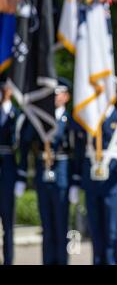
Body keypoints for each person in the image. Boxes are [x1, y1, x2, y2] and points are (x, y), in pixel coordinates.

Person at [18, 77, 78, 265]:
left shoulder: (70, 120)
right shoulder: (40, 118)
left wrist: (75, 181)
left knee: (61, 224)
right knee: (47, 224)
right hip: (43, 173)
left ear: (66, 96)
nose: (54, 97)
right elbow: (26, 139)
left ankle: (61, 261)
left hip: (61, 172)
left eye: (58, 93)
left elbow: (76, 150)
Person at [73, 104, 117, 265]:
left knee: (111, 231)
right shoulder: (89, 117)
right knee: (95, 230)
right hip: (91, 183)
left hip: (113, 184)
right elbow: (79, 151)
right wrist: (76, 180)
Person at [0, 81, 23, 265]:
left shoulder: (16, 114)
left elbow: (20, 143)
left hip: (7, 172)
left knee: (8, 223)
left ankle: (9, 260)